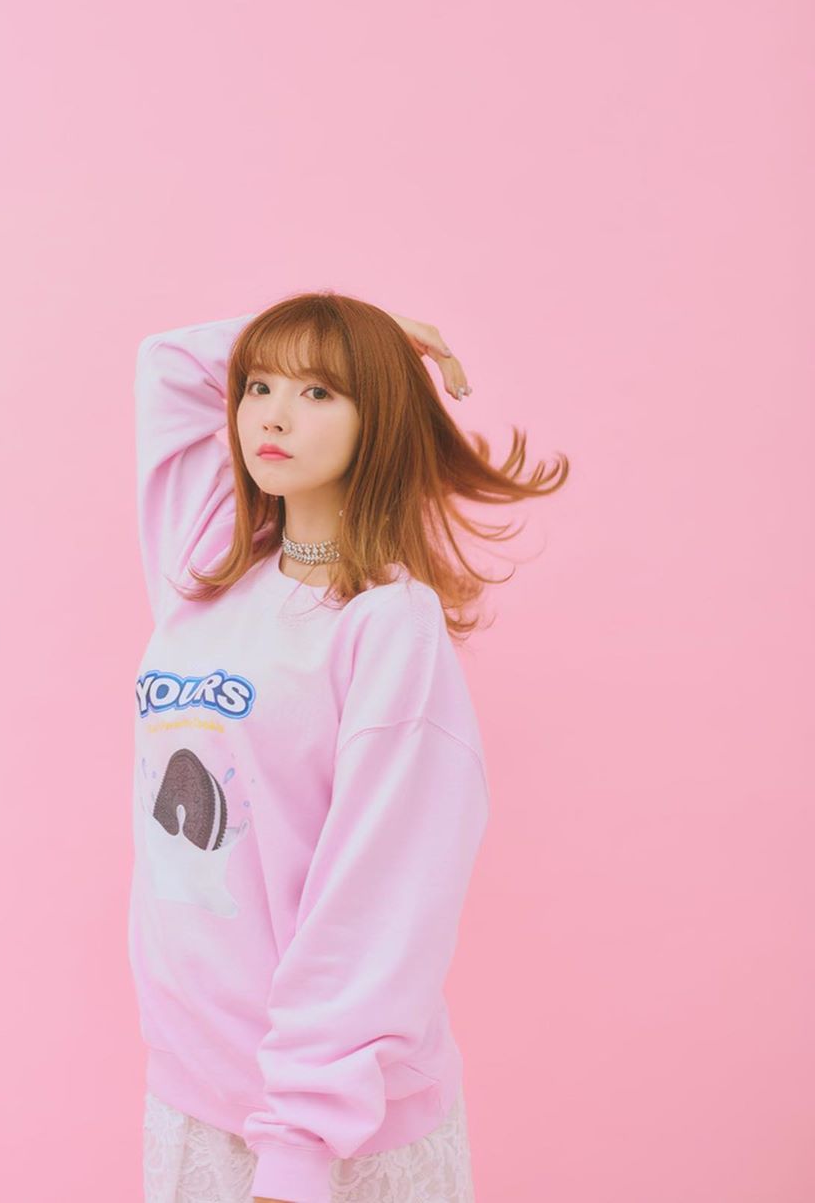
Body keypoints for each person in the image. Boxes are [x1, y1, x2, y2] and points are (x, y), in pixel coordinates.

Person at [130, 290, 568, 1202]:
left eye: (320, 393)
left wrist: (298, 1145)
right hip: (193, 1094)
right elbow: (168, 365)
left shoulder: (386, 625)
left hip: (328, 1129)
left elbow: (381, 895)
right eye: (258, 386)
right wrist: (363, 333)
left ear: (380, 418)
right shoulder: (205, 568)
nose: (272, 416)